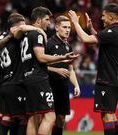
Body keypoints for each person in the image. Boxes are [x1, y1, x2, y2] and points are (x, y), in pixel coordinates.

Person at [69, 3, 118, 135]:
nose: (101, 18)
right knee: (110, 113)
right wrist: (90, 28)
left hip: (107, 78)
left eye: (104, 16)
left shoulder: (112, 32)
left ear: (111, 17)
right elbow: (102, 39)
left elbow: (85, 39)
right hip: (116, 77)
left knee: (107, 115)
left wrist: (75, 22)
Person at [20, 7, 78, 135]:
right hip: (40, 79)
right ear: (39, 20)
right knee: (49, 117)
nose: (48, 22)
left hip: (29, 77)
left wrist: (76, 84)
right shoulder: (40, 36)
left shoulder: (27, 35)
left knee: (34, 117)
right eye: (47, 19)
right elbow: (41, 57)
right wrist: (61, 59)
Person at [0, 13, 47, 135]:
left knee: (7, 117)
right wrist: (38, 29)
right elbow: (20, 30)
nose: (26, 26)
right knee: (22, 117)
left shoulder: (1, 37)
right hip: (15, 82)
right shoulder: (16, 34)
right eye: (24, 23)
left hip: (2, 83)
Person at [45, 15, 80, 135]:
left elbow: (71, 69)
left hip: (63, 87)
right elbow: (39, 65)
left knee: (61, 119)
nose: (67, 30)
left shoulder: (68, 46)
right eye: (64, 27)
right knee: (46, 119)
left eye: (69, 27)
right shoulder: (48, 44)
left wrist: (76, 85)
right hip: (49, 86)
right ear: (56, 27)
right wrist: (56, 70)